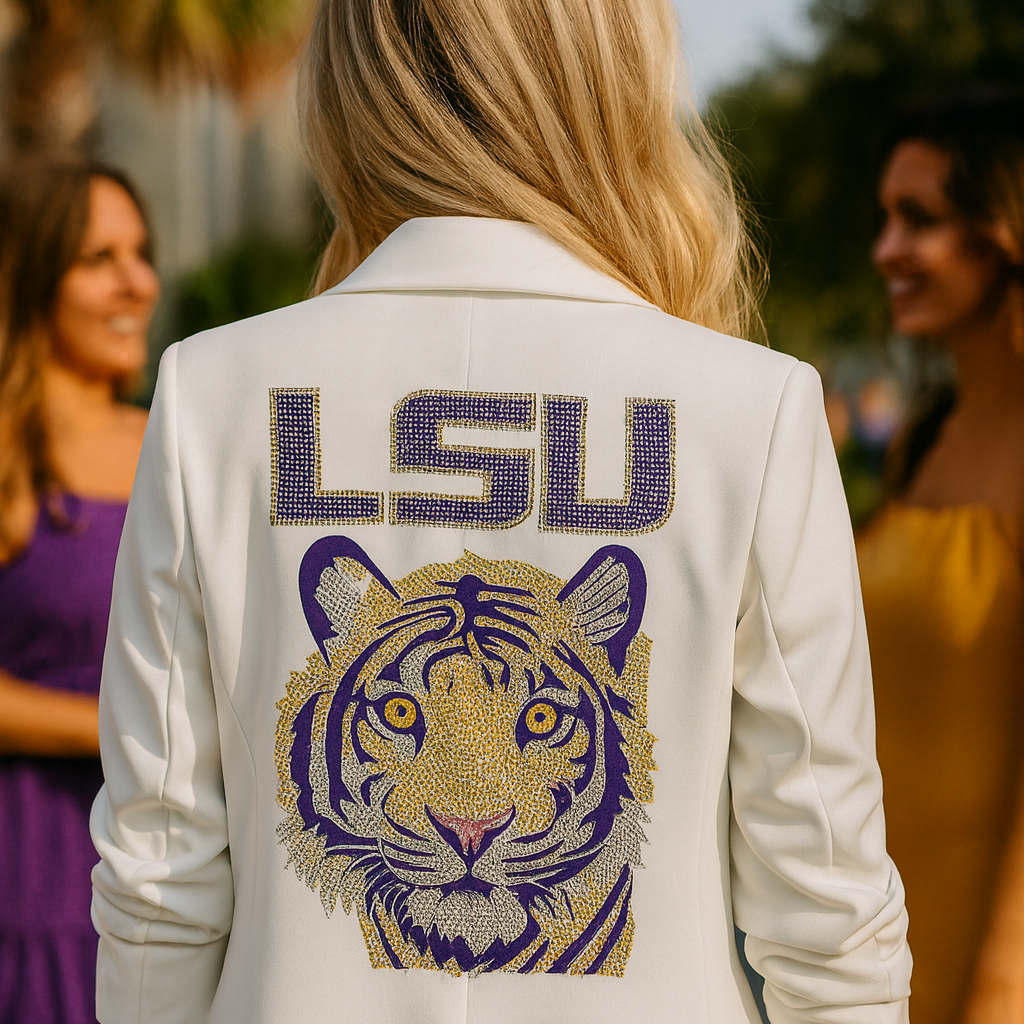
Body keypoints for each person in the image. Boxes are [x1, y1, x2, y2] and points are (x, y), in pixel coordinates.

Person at [89, 1, 911, 1022]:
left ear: (348, 87)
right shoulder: (753, 405)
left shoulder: (213, 392)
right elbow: (827, 909)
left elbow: (158, 878)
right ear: (612, 78)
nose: (470, 808)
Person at [859, 90, 1024, 1024]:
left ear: (1006, 230)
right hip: (879, 946)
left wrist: (999, 990)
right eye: (884, 219)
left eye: (917, 220)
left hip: (991, 961)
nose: (887, 252)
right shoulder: (921, 440)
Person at [0, 161, 159, 1024]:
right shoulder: (8, 460)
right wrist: (118, 726)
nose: (137, 280)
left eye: (141, 252)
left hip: (167, 877)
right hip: (29, 881)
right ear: (31, 276)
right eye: (98, 257)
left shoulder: (181, 441)